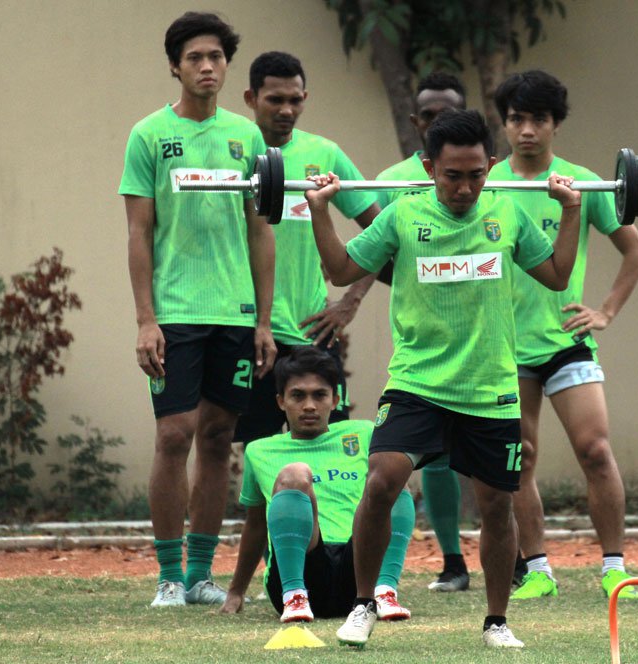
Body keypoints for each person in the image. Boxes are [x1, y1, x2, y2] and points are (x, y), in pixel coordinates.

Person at [306, 109, 582, 649]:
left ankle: (496, 621)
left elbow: (557, 275)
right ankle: (363, 605)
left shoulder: (507, 215)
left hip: (490, 387)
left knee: (497, 506)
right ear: (430, 167)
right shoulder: (403, 217)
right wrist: (320, 211)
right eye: (452, 175)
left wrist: (571, 209)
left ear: (492, 166)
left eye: (476, 174)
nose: (464, 187)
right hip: (418, 382)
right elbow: (340, 272)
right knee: (382, 480)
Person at [118, 11, 276, 608]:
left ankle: (201, 577)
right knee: (173, 435)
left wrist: (263, 320)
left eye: (215, 57)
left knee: (216, 438)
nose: (207, 67)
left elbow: (261, 231)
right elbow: (138, 233)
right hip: (176, 312)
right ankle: (166, 577)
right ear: (175, 67)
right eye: (195, 58)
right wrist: (145, 319)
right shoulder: (149, 136)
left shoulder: (249, 137)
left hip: (235, 315)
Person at [490, 70, 638, 601]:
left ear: (556, 124)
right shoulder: (486, 184)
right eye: (517, 119)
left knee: (596, 451)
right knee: (522, 457)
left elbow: (636, 251)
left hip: (565, 343)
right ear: (505, 124)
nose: (527, 130)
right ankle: (538, 570)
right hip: (506, 346)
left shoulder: (581, 182)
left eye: (538, 119)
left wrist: (605, 310)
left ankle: (614, 569)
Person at [235, 51, 381, 439]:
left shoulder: (325, 154)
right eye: (275, 100)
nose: (287, 109)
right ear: (251, 98)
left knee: (332, 449)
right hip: (249, 332)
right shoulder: (234, 153)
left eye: (295, 100)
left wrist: (351, 300)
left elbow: (384, 233)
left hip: (312, 335)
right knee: (256, 452)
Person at [219, 346, 415, 623]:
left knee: (393, 481)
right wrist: (236, 591)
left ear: (335, 400)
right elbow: (256, 524)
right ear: (280, 401)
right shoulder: (260, 450)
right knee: (295, 474)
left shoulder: (363, 433)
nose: (309, 405)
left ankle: (384, 591)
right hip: (303, 571)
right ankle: (294, 596)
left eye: (319, 395)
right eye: (298, 396)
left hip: (359, 575)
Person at [376, 72, 472, 593]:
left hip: (485, 338)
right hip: (425, 342)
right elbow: (376, 256)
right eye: (430, 117)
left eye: (448, 115)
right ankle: (454, 562)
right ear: (416, 124)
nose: (438, 124)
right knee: (432, 456)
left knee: (507, 456)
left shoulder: (489, 181)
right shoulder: (392, 182)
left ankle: (529, 560)